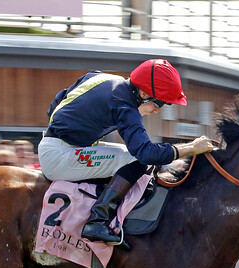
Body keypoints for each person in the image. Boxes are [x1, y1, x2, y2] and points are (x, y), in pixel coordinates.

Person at [39, 58, 213, 246]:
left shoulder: (102, 77)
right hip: (59, 156)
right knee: (137, 162)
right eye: (161, 103)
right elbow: (145, 153)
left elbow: (57, 101)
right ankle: (98, 222)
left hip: (58, 146)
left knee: (130, 158)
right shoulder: (124, 104)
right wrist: (192, 148)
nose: (157, 111)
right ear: (144, 93)